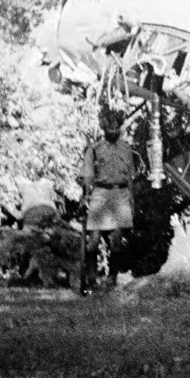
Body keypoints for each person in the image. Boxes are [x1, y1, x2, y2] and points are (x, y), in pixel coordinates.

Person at [81, 107, 136, 289]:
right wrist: (86, 196)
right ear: (104, 128)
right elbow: (88, 176)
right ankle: (91, 279)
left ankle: (112, 278)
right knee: (93, 240)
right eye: (109, 127)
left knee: (117, 240)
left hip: (121, 194)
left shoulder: (126, 149)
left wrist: (132, 200)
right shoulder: (94, 149)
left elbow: (129, 177)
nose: (113, 130)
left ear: (120, 128)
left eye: (116, 127)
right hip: (100, 194)